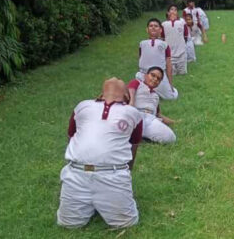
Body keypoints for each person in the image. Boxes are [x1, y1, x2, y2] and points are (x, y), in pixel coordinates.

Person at [57, 78, 143, 228]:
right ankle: (100, 202)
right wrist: (128, 170)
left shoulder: (82, 106)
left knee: (126, 224)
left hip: (88, 174)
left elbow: (71, 138)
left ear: (100, 95)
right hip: (96, 175)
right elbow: (133, 147)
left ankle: (98, 202)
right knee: (68, 224)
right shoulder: (133, 113)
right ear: (126, 97)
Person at [128, 67, 176, 144]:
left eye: (158, 79)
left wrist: (174, 122)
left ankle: (141, 135)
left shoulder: (156, 96)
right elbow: (131, 91)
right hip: (135, 114)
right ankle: (137, 134)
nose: (155, 79)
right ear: (146, 76)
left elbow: (158, 115)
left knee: (171, 138)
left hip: (150, 119)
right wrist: (131, 103)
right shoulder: (137, 83)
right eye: (153, 75)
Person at [136, 18, 178, 100]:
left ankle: (166, 89)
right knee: (139, 96)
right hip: (143, 75)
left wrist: (170, 83)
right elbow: (141, 59)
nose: (153, 27)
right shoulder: (142, 44)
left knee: (171, 97)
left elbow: (168, 64)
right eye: (151, 26)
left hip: (158, 76)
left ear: (160, 30)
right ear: (147, 29)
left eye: (156, 26)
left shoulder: (164, 45)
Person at [162, 5, 189, 75]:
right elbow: (162, 38)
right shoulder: (164, 24)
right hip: (170, 55)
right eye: (171, 9)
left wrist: (182, 45)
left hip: (181, 53)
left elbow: (185, 36)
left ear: (177, 13)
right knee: (171, 74)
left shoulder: (182, 23)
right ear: (168, 13)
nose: (173, 11)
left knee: (183, 73)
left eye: (175, 10)